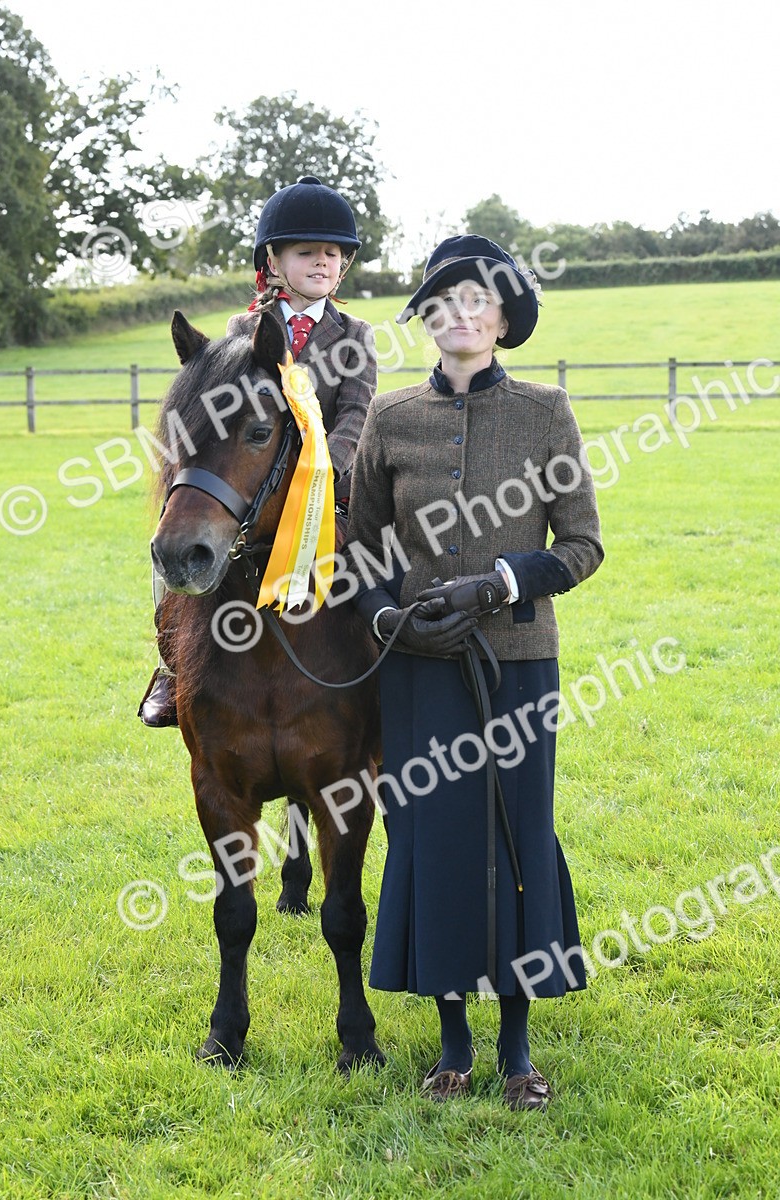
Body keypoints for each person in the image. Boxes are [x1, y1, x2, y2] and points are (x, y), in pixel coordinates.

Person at [345, 235, 604, 1111]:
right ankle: (453, 1044)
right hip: (416, 669)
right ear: (426, 318)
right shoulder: (390, 417)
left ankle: (518, 1051)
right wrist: (388, 616)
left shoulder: (544, 412)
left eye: (479, 300)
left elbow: (581, 546)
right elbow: (360, 547)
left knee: (515, 837)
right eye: (444, 300)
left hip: (519, 662)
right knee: (432, 838)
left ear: (504, 319)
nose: (461, 312)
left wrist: (497, 583)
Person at [139, 175, 377, 726]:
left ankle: (385, 660)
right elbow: (222, 416)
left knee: (384, 554)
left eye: (334, 254)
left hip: (329, 489)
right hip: (252, 480)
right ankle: (172, 667)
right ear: (273, 258)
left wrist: (321, 472)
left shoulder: (354, 333)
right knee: (174, 532)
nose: (324, 263)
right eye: (307, 252)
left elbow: (357, 413)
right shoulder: (241, 327)